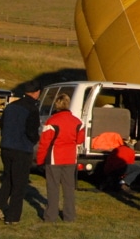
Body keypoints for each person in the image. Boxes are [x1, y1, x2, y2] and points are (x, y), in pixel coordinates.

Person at [0, 80, 42, 225]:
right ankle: (12, 216)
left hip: (6, 146)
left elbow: (2, 124)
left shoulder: (11, 106)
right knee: (19, 183)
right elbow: (32, 131)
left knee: (8, 178)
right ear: (37, 92)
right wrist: (35, 140)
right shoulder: (32, 109)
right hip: (22, 149)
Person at [35, 93, 85, 222]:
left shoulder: (52, 121)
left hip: (54, 158)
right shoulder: (77, 122)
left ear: (56, 105)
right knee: (69, 188)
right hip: (70, 158)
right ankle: (70, 216)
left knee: (53, 188)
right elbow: (80, 140)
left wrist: (40, 160)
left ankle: (51, 216)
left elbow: (44, 143)